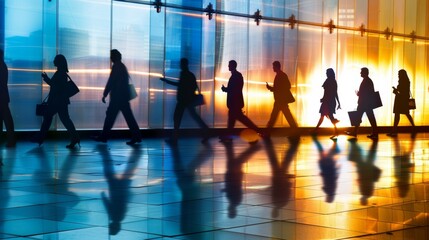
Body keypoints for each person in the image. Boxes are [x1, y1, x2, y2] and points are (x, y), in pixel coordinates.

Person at [92, 49, 142, 145]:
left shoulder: (116, 67)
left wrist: (105, 94)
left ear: (114, 57)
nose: (110, 58)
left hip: (117, 98)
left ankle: (104, 136)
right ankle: (137, 136)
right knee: (128, 117)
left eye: (111, 56)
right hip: (122, 97)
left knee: (110, 117)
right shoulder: (122, 67)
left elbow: (111, 82)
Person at [32, 54, 79, 148]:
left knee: (49, 118)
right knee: (64, 119)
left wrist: (46, 78)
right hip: (61, 101)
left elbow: (55, 86)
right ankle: (75, 138)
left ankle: (40, 138)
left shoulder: (59, 73)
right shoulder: (62, 73)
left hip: (57, 101)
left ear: (58, 62)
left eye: (55, 59)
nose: (53, 60)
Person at [160, 58, 210, 144]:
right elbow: (192, 87)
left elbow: (180, 85)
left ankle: (174, 138)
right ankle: (206, 131)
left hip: (183, 100)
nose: (180, 65)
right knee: (194, 117)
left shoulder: (184, 74)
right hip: (188, 100)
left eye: (181, 63)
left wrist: (166, 81)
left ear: (183, 64)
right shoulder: (190, 74)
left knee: (177, 118)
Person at [220, 60, 263, 141]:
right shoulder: (237, 76)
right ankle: (257, 131)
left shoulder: (235, 76)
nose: (228, 66)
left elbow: (234, 89)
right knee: (237, 121)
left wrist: (225, 89)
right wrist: (226, 89)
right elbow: (236, 89)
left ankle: (258, 131)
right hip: (236, 103)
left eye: (229, 65)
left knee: (238, 121)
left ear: (233, 66)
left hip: (234, 103)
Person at [266, 61, 299, 137]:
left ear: (276, 67)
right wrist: (272, 88)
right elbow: (284, 87)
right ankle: (295, 132)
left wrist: (271, 88)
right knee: (287, 116)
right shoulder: (281, 75)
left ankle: (267, 133)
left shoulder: (280, 75)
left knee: (274, 117)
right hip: (281, 100)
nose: (273, 68)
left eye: (273, 66)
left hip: (280, 100)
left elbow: (283, 87)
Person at [346, 67, 378, 140]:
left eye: (361, 72)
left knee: (361, 117)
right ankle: (374, 133)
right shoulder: (368, 81)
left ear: (364, 73)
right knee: (368, 117)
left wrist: (359, 94)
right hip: (366, 103)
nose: (360, 73)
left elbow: (366, 93)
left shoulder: (366, 81)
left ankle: (355, 132)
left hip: (364, 103)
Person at [312, 68, 341, 139]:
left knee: (323, 115)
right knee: (328, 116)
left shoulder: (327, 81)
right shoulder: (334, 81)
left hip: (327, 101)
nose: (326, 74)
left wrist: (323, 99)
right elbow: (335, 93)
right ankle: (336, 131)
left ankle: (316, 130)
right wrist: (338, 102)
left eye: (327, 72)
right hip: (331, 101)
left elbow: (326, 92)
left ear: (329, 73)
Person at [387, 69, 415, 136]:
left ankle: (394, 130)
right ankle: (414, 127)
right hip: (403, 100)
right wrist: (396, 90)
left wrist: (396, 91)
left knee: (398, 114)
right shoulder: (406, 81)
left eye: (399, 74)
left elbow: (402, 91)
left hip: (400, 100)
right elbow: (405, 91)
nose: (398, 75)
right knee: (406, 113)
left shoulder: (403, 81)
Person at [0, 49, 15, 147]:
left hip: (2, 97)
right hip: (3, 96)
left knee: (6, 118)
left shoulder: (1, 66)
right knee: (7, 118)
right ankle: (11, 139)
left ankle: (11, 140)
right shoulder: (3, 65)